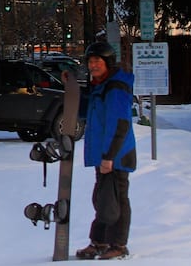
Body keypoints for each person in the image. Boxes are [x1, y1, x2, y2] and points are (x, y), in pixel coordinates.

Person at [75, 41, 137, 260]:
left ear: (108, 63)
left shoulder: (115, 88)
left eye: (97, 61)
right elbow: (86, 113)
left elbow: (120, 124)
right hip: (105, 155)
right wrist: (72, 87)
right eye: (90, 62)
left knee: (118, 200)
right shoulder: (100, 86)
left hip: (116, 155)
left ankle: (119, 245)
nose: (93, 66)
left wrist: (109, 157)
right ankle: (99, 241)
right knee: (103, 199)